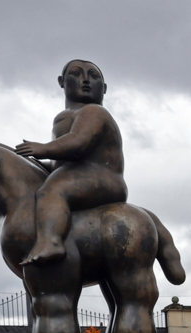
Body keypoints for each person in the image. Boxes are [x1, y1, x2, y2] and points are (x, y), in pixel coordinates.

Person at [16, 59, 127, 265]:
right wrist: (37, 164)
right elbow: (62, 165)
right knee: (53, 180)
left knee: (51, 191)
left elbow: (78, 143)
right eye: (76, 74)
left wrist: (43, 148)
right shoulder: (67, 116)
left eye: (93, 76)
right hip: (81, 175)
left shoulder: (94, 112)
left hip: (103, 178)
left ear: (104, 89)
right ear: (61, 81)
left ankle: (52, 243)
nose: (85, 80)